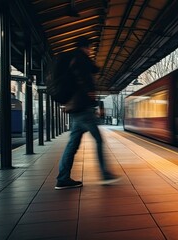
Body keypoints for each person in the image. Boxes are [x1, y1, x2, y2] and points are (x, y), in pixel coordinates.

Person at [55, 36, 120, 190]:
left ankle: (63, 178)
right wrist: (92, 96)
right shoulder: (80, 59)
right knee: (98, 139)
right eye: (89, 48)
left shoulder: (71, 60)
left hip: (75, 108)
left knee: (72, 144)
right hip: (83, 108)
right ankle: (105, 174)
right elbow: (85, 78)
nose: (90, 51)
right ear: (86, 47)